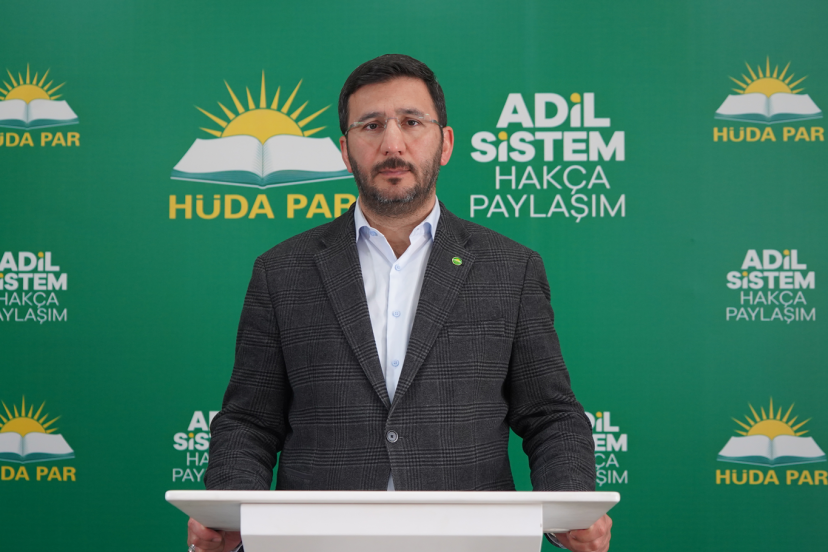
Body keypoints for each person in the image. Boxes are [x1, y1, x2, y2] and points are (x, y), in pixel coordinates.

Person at [187, 54, 612, 552]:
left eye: (411, 122)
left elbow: (550, 414)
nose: (392, 144)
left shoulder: (510, 269)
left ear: (445, 143)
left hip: (470, 544)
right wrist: (230, 513)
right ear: (345, 151)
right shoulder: (282, 271)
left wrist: (571, 509)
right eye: (371, 126)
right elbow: (250, 422)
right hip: (317, 543)